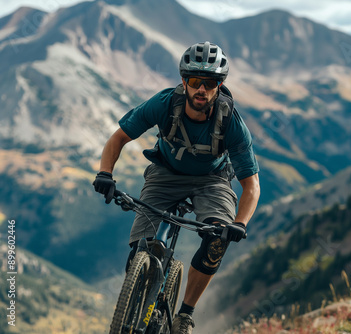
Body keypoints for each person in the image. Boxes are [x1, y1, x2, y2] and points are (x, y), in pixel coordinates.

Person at [93, 41, 260, 334]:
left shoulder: (231, 121)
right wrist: (105, 174)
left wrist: (239, 223)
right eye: (195, 81)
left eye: (210, 83)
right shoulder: (164, 104)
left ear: (219, 86)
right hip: (166, 173)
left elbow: (251, 184)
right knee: (139, 249)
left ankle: (185, 314)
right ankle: (136, 298)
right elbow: (117, 138)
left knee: (216, 242)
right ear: (184, 81)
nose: (202, 90)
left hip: (213, 181)